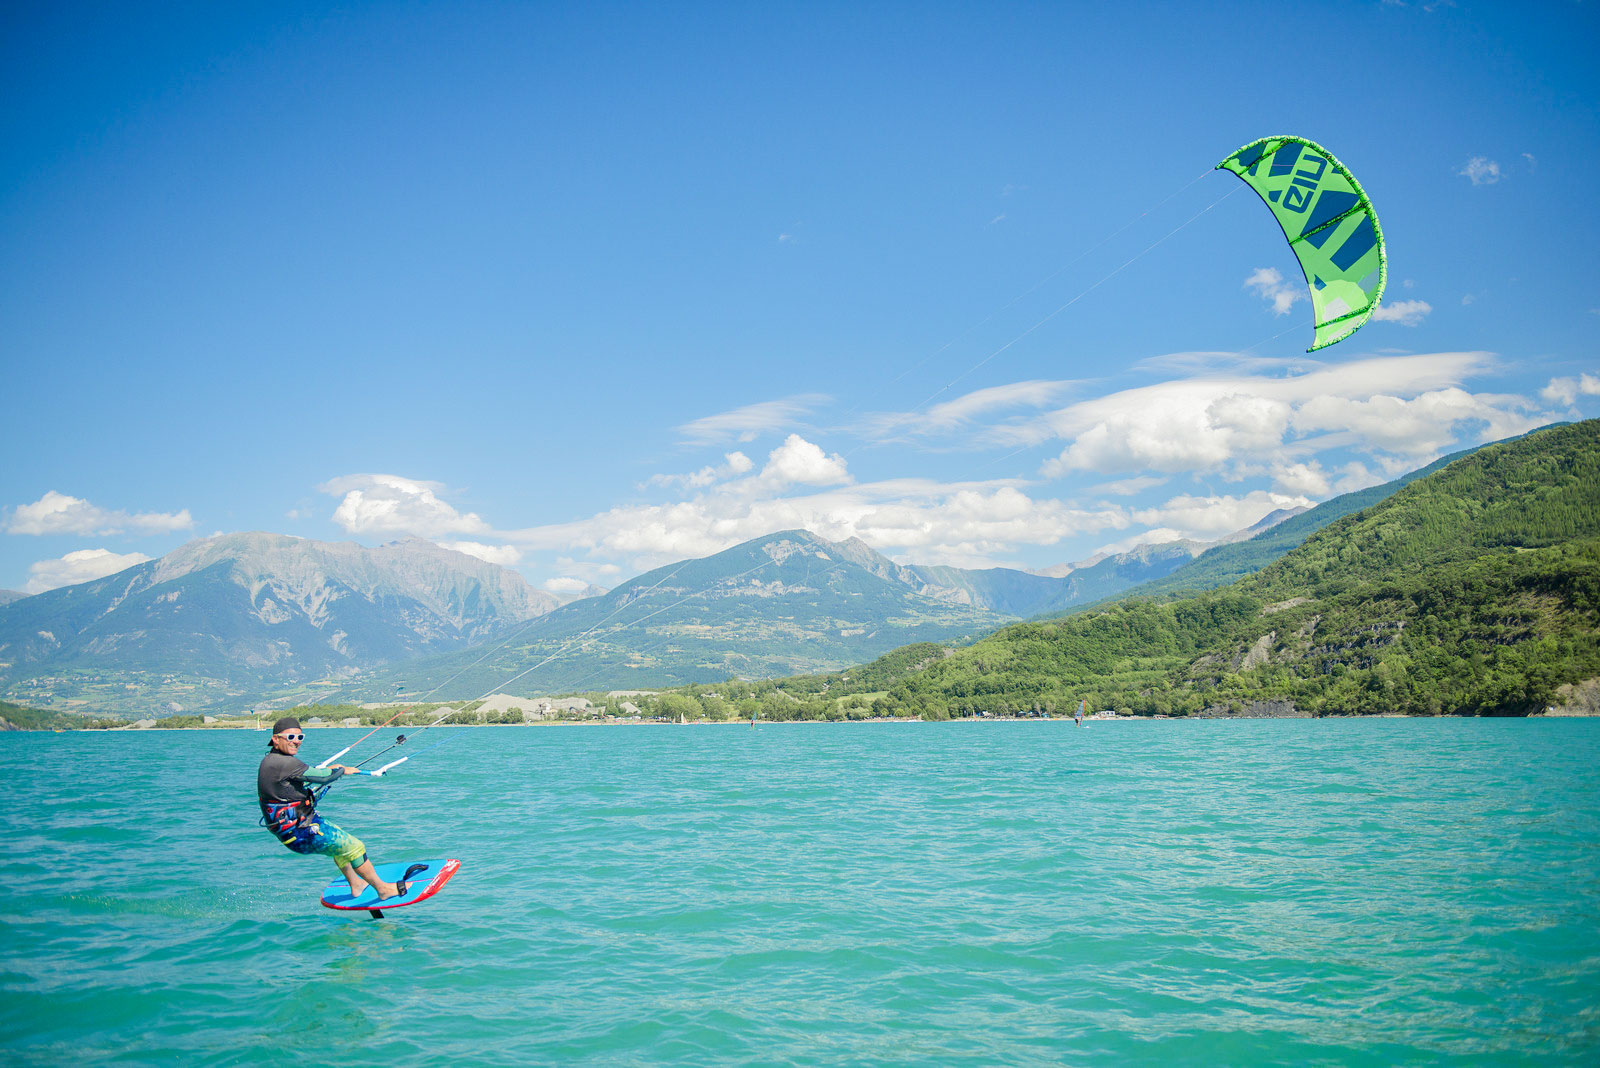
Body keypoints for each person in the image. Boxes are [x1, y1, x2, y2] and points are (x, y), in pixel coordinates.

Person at [257, 716, 404, 900]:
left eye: (300, 737)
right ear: (275, 739)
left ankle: (357, 884)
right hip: (300, 832)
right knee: (355, 847)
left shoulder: (272, 761)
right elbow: (323, 777)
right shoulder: (283, 763)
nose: (296, 742)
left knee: (341, 845)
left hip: (297, 828)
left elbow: (310, 775)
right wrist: (343, 770)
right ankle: (383, 890)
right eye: (290, 737)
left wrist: (333, 770)